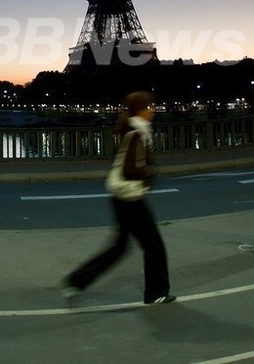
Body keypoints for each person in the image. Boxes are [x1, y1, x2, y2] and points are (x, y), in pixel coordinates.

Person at [61, 90, 174, 305]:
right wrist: (151, 172)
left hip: (121, 198)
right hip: (132, 199)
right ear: (140, 110)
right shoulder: (136, 133)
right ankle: (156, 292)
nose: (153, 110)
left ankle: (76, 281)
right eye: (150, 107)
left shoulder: (129, 129)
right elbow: (131, 170)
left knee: (119, 248)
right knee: (154, 246)